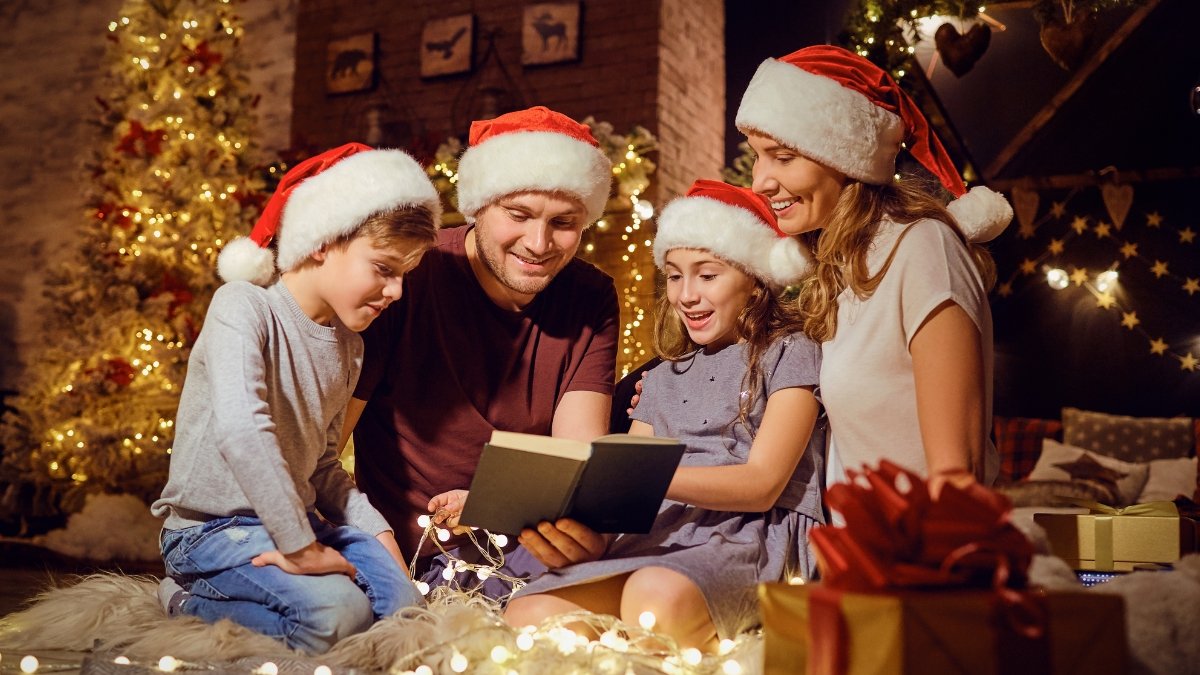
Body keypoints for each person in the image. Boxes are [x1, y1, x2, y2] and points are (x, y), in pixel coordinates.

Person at [475, 179, 824, 650]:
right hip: (659, 535)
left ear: (755, 277)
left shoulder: (790, 352)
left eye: (707, 275)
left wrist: (647, 477)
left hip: (745, 538)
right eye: (676, 276)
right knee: (529, 613)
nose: (686, 295)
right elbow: (622, 502)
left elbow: (763, 485)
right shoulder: (662, 376)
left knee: (652, 601)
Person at [151, 143, 440, 653]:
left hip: (297, 519)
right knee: (337, 615)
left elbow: (324, 464)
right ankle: (183, 598)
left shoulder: (350, 348)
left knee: (406, 615)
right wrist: (302, 551)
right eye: (383, 268)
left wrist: (382, 549)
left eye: (404, 276)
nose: (396, 291)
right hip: (211, 531)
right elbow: (243, 431)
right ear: (321, 242)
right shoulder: (242, 306)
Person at [342, 106, 620, 592]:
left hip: (535, 542)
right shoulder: (409, 276)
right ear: (477, 206)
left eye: (564, 222)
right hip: (418, 559)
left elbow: (578, 457)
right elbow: (322, 451)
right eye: (519, 215)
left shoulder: (590, 295)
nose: (539, 242)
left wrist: (496, 503)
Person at [733, 45, 1012, 494]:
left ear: (844, 158)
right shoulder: (843, 271)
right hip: (856, 552)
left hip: (916, 554)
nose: (760, 181)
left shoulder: (924, 249)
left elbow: (956, 480)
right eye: (757, 156)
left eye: (782, 157)